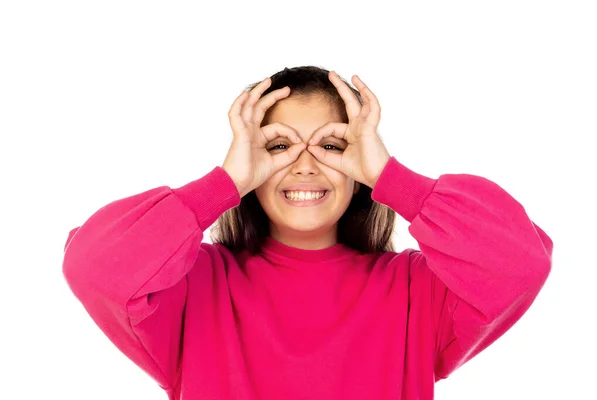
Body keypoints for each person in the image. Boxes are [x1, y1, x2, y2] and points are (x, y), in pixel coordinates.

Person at [62, 65, 553, 400]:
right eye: (277, 146)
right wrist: (222, 184)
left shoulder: (415, 291)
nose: (303, 165)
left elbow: (520, 262)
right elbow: (94, 265)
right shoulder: (192, 286)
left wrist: (392, 178)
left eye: (332, 146)